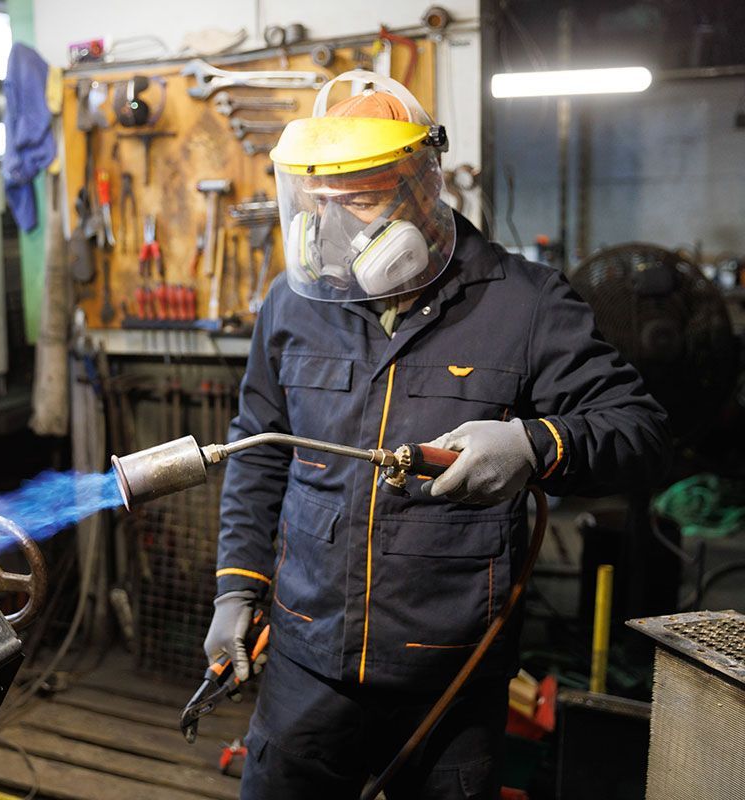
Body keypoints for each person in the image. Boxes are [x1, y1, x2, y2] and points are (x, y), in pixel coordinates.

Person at [205, 71, 670, 799]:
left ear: (423, 188)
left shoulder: (525, 302)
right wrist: (236, 592)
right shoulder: (294, 306)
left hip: (449, 675)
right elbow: (258, 450)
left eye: (361, 198)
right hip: (306, 663)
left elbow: (639, 431)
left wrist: (532, 446)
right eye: (321, 202)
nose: (336, 227)